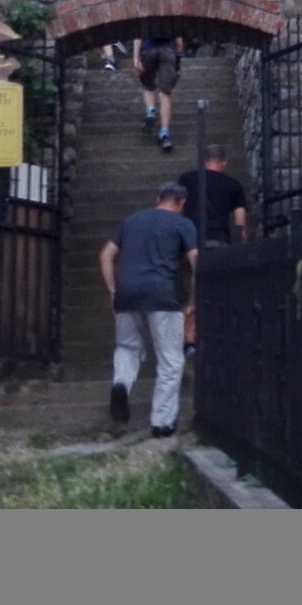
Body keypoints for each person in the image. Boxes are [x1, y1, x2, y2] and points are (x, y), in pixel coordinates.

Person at [101, 181, 198, 438]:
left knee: (127, 347)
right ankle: (162, 423)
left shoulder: (131, 221)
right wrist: (194, 299)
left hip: (126, 293)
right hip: (162, 296)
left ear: (158, 198)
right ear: (182, 203)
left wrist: (113, 290)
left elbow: (106, 254)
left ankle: (121, 383)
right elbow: (196, 259)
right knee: (170, 359)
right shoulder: (182, 223)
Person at [173, 144, 251, 356]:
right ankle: (215, 337)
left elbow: (177, 210)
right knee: (215, 292)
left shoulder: (187, 179)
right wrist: (241, 248)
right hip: (219, 242)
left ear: (203, 161)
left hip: (189, 243)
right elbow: (240, 222)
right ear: (223, 162)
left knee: (188, 291)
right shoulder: (233, 185)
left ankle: (188, 340)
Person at [133, 35, 184, 152]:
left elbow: (138, 35)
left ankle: (150, 111)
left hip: (147, 49)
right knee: (165, 92)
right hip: (168, 50)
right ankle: (164, 133)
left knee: (148, 85)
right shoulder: (171, 16)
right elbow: (179, 41)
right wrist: (178, 61)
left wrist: (136, 57)